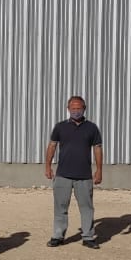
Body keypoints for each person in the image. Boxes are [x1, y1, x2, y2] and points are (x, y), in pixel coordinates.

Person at [44, 95, 104, 249]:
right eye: (73, 108)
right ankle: (58, 236)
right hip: (63, 175)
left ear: (84, 109)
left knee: (86, 208)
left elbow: (97, 149)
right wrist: (47, 166)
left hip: (84, 176)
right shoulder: (60, 127)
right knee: (60, 208)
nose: (76, 111)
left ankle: (88, 237)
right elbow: (52, 146)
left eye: (79, 108)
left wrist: (99, 170)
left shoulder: (92, 128)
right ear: (68, 109)